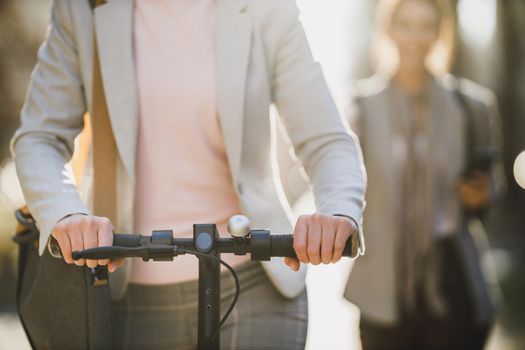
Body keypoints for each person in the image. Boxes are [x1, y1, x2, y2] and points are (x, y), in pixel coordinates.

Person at [12, 0, 366, 348]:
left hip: (252, 285)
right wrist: (67, 212)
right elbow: (40, 137)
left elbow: (326, 141)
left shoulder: (265, 8)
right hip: (128, 293)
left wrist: (336, 211)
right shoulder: (82, 10)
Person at [344, 0, 505, 349]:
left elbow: (492, 188)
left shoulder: (472, 106)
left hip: (453, 284)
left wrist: (482, 193)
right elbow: (344, 183)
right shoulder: (362, 108)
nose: (415, 36)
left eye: (426, 25)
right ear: (389, 30)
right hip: (383, 287)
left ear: (439, 33)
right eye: (406, 24)